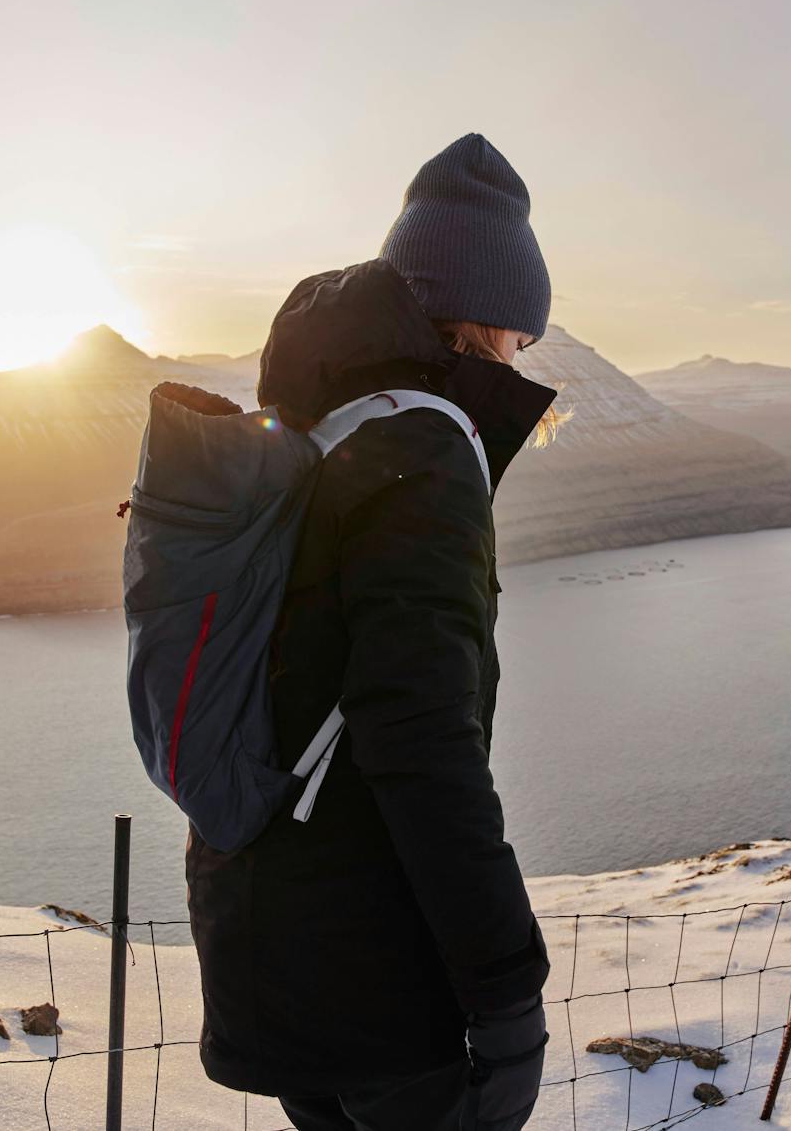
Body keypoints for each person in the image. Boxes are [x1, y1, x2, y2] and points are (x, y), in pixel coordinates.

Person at [186, 134, 557, 1131]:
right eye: (522, 332)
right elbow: (420, 738)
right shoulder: (422, 452)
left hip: (261, 934)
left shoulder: (311, 431)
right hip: (378, 977)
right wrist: (506, 990)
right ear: (490, 315)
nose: (526, 354)